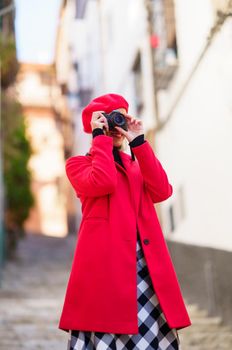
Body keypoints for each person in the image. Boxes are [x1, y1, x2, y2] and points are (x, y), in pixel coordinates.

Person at [58, 93, 192, 349]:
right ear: (95, 125)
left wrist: (138, 141)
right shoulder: (78, 165)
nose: (116, 126)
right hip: (105, 274)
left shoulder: (136, 164)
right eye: (109, 119)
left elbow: (162, 191)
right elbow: (103, 181)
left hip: (144, 271)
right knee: (108, 335)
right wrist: (100, 138)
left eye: (120, 117)